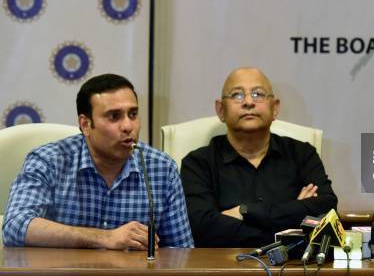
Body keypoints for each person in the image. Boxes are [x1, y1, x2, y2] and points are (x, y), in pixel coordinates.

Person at [2, 74, 193, 249]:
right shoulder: (49, 161)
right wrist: (105, 237)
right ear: (85, 125)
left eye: (133, 115)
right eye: (114, 116)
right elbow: (15, 226)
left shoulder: (161, 168)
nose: (128, 126)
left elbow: (182, 252)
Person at [181, 67, 338, 247]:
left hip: (292, 268)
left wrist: (245, 211)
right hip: (224, 270)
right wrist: (292, 218)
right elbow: (202, 229)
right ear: (220, 110)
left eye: (258, 94)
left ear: (275, 108)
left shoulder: (302, 154)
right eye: (237, 95)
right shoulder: (197, 163)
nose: (248, 102)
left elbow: (327, 210)